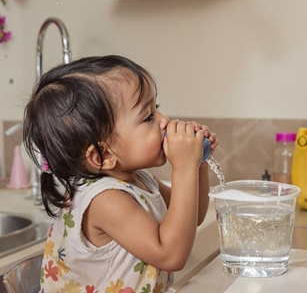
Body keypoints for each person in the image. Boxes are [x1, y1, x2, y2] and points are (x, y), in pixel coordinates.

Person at [23, 55, 218, 293]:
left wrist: (197, 165)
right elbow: (170, 255)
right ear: (103, 155)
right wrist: (184, 168)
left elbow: (193, 217)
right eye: (148, 117)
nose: (164, 120)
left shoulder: (140, 179)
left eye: (156, 108)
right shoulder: (105, 200)